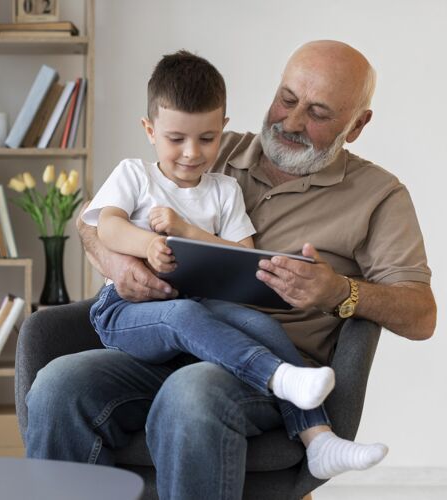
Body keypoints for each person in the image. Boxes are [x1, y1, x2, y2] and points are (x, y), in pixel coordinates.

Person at [25, 40, 436, 500]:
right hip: (163, 344)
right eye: (287, 98)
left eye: (318, 113)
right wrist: (119, 263)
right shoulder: (209, 149)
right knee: (58, 386)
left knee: (192, 392)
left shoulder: (379, 195)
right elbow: (93, 218)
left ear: (357, 125)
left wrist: (339, 292)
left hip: (271, 368)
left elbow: (422, 315)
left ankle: (310, 426)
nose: (293, 121)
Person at [80, 49, 387, 479]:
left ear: (221, 129)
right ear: (150, 131)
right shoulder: (134, 174)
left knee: (262, 327)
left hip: (199, 311)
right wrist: (148, 244)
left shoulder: (223, 189)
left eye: (206, 140)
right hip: (127, 313)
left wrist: (185, 230)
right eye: (176, 139)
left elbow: (240, 252)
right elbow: (103, 225)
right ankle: (277, 377)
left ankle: (318, 439)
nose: (191, 153)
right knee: (181, 313)